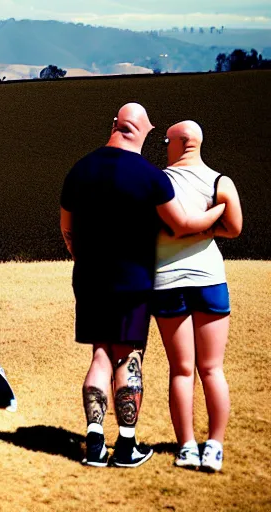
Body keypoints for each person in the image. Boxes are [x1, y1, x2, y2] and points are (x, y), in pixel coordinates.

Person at [60, 103, 226, 468]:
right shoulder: (152, 177)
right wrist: (220, 211)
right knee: (127, 355)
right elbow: (183, 224)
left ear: (115, 125)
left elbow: (67, 229)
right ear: (145, 132)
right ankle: (126, 445)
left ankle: (94, 443)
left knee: (100, 354)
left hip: (88, 278)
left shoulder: (79, 169)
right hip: (133, 280)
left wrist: (82, 258)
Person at [153, 120, 243, 472]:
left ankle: (187, 446)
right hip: (210, 278)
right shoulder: (222, 182)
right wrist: (209, 221)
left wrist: (182, 231)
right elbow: (233, 229)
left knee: (181, 370)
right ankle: (215, 446)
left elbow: (163, 228)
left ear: (177, 143)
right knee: (212, 369)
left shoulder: (157, 182)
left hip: (167, 281)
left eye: (166, 141)